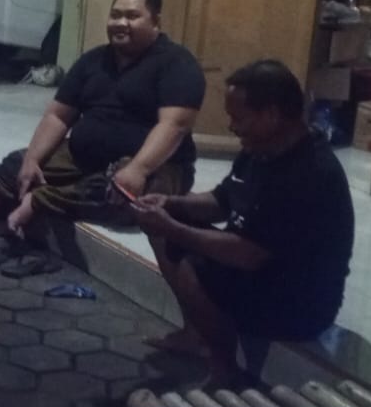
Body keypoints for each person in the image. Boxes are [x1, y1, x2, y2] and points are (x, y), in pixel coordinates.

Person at [0, 0, 204, 254]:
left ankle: (38, 202)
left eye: (132, 16)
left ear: (155, 21)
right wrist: (33, 159)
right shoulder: (94, 60)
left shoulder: (176, 63)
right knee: (18, 166)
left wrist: (138, 168)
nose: (121, 23)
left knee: (120, 191)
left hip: (154, 166)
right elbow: (58, 116)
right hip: (83, 157)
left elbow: (174, 125)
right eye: (115, 15)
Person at [133, 60, 354, 388]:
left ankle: (225, 370)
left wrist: (174, 229)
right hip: (264, 272)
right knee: (170, 224)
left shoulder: (309, 173)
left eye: (239, 118)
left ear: (271, 115)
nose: (232, 127)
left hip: (300, 302)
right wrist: (171, 203)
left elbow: (249, 254)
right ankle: (196, 335)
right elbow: (223, 201)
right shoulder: (261, 149)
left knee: (191, 257)